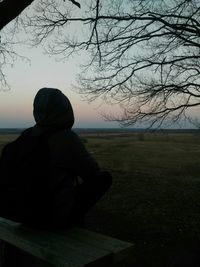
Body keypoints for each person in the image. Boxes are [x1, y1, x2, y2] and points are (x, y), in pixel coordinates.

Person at [26, 87, 112, 229]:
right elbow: (92, 173)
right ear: (65, 110)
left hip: (22, 213)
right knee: (104, 178)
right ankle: (72, 221)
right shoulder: (65, 138)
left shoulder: (26, 136)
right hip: (50, 216)